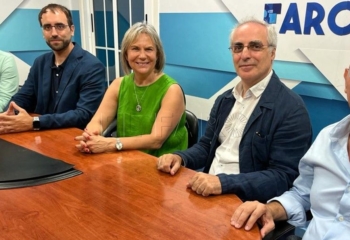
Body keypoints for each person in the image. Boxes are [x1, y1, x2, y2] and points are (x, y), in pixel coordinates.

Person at [157, 17, 312, 202]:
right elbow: (207, 147)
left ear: (272, 53)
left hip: (246, 206)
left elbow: (282, 177)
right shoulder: (225, 100)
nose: (244, 55)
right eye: (238, 48)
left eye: (255, 46)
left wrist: (223, 183)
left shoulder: (291, 109)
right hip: (206, 194)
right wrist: (180, 158)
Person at [231, 67, 350, 240]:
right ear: (346, 78)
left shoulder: (290, 107)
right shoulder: (328, 138)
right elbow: (302, 194)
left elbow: (281, 174)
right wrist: (270, 210)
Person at [74, 22, 187, 157]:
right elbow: (98, 121)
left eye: (149, 49)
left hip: (163, 166)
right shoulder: (118, 84)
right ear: (126, 55)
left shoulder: (171, 90)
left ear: (158, 55)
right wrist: (91, 136)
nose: (142, 55)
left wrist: (110, 144)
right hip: (125, 160)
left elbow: (156, 140)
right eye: (135, 49)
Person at [0, 3, 106, 133]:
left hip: (73, 137)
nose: (54, 33)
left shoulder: (92, 66)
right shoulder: (40, 62)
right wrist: (10, 113)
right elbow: (23, 97)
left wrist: (35, 122)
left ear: (72, 29)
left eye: (60, 26)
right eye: (47, 27)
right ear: (43, 32)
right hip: (41, 136)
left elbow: (83, 114)